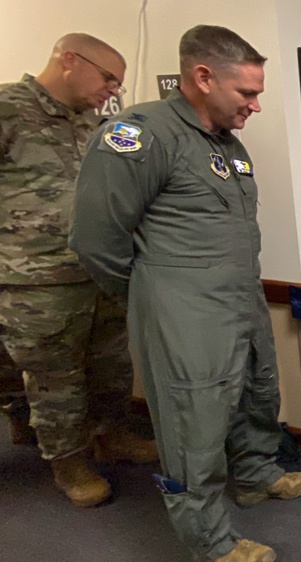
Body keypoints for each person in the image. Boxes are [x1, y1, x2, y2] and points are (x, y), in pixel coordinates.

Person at [70, 25, 301, 562]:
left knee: (257, 391)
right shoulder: (141, 135)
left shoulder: (229, 145)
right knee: (193, 424)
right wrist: (153, 298)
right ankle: (209, 540)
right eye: (246, 93)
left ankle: (255, 475)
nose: (255, 104)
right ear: (203, 77)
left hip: (240, 298)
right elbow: (94, 239)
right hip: (184, 311)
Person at [0, 33, 158, 508]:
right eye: (108, 77)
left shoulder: (97, 124)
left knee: (111, 365)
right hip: (36, 280)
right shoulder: (8, 109)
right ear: (69, 60)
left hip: (100, 272)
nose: (113, 88)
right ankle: (67, 463)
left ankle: (111, 435)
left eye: (119, 82)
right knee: (55, 378)